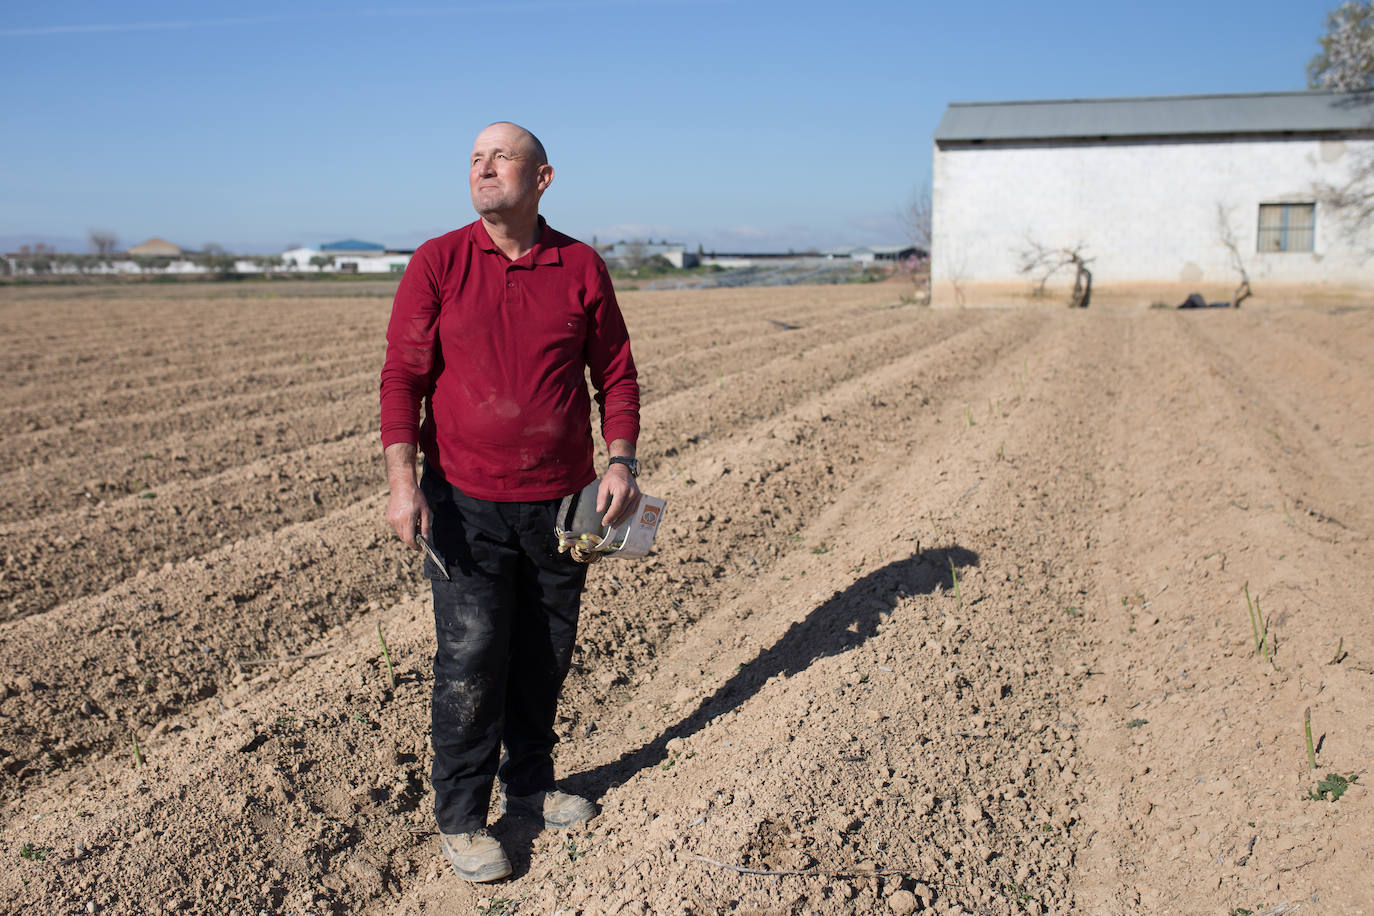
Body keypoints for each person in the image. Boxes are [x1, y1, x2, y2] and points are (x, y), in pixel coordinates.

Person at [379, 121, 641, 883]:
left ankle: (529, 784)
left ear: (543, 178)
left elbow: (616, 375)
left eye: (501, 158)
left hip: (562, 505)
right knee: (469, 657)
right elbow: (403, 379)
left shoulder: (580, 266)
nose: (483, 169)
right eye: (474, 160)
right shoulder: (437, 262)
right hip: (464, 503)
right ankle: (461, 818)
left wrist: (619, 463)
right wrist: (403, 483)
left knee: (545, 651)